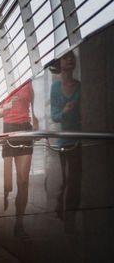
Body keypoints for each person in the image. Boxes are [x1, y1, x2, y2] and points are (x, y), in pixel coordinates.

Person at [0, 79, 39, 237]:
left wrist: (36, 122)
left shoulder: (28, 82)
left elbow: (34, 107)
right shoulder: (3, 83)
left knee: (23, 180)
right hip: (9, 130)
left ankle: (19, 223)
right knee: (8, 184)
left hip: (25, 129)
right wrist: (7, 106)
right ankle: (7, 194)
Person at [49, 50, 82, 234]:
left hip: (79, 140)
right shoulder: (55, 88)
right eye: (65, 57)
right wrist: (66, 111)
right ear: (60, 63)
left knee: (75, 181)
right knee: (64, 180)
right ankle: (60, 204)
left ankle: (70, 219)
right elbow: (54, 116)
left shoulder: (80, 86)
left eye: (71, 57)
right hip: (63, 140)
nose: (69, 59)